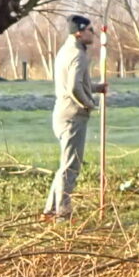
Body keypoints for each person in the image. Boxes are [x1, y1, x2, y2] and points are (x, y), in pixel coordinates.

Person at [43, 14, 105, 219]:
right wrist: (88, 103)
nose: (93, 34)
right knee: (71, 168)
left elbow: (77, 83)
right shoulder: (78, 55)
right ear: (79, 32)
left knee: (65, 165)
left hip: (62, 114)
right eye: (90, 30)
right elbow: (73, 87)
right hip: (72, 117)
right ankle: (62, 213)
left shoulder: (66, 51)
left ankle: (51, 211)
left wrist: (96, 88)